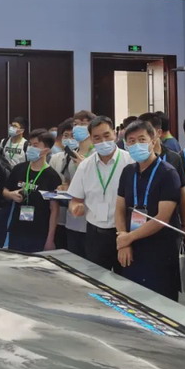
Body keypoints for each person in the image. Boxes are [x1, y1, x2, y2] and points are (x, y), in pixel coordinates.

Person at [116, 119, 181, 299]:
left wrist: (128, 238)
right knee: (132, 300)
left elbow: (163, 218)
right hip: (131, 247)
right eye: (131, 141)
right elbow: (119, 209)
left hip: (159, 249)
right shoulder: (128, 171)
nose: (136, 144)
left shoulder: (168, 173)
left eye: (142, 139)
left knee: (160, 302)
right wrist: (123, 239)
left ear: (153, 141)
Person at [68, 116, 133, 270]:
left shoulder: (130, 162)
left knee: (124, 279)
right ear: (91, 139)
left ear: (115, 134)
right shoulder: (85, 166)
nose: (103, 141)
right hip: (95, 234)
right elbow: (75, 200)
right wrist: (75, 207)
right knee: (96, 278)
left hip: (124, 233)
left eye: (106, 135)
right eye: (97, 138)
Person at [1, 129, 61, 253]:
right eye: (30, 144)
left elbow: (54, 209)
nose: (30, 148)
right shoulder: (19, 169)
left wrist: (50, 239)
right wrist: (10, 194)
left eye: (35, 145)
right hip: (17, 229)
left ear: (46, 150)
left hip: (39, 232)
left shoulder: (52, 176)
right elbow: (4, 190)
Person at [139, 112, 185, 235]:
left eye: (148, 132)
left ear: (158, 132)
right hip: (141, 222)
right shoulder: (136, 159)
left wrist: (184, 224)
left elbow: (182, 193)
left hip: (170, 224)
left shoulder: (174, 158)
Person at [62, 110, 96, 254]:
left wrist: (85, 167)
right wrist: (64, 186)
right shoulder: (71, 152)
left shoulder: (97, 153)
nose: (78, 127)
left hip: (92, 215)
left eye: (83, 124)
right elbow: (68, 180)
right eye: (76, 124)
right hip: (73, 215)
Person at [48, 117, 76, 249]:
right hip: (58, 215)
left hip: (77, 216)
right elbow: (51, 185)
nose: (69, 139)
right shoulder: (55, 158)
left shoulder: (85, 160)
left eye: (72, 136)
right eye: (66, 135)